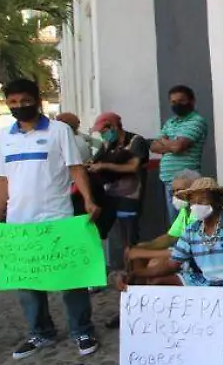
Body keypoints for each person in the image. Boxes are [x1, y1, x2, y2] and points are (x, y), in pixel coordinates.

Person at [0, 78, 102, 359]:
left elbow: (76, 169)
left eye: (25, 100)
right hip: (19, 224)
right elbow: (1, 181)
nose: (20, 106)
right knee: (27, 282)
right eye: (13, 102)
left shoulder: (59, 131)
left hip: (57, 217)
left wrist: (88, 199)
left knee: (71, 278)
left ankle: (82, 330)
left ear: (37, 100)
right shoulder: (3, 138)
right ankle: (40, 332)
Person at [129, 177, 223, 365]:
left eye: (202, 200)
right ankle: (172, 343)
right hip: (208, 283)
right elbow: (172, 264)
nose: (196, 205)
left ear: (217, 201)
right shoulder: (192, 230)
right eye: (192, 201)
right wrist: (135, 275)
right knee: (159, 282)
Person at [104, 169, 200, 329]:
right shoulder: (185, 211)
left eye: (180, 190)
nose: (175, 195)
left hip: (192, 258)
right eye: (174, 191)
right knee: (136, 253)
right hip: (181, 252)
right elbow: (170, 237)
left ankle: (141, 308)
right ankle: (132, 305)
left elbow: (188, 251)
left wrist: (142, 252)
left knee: (150, 263)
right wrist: (143, 247)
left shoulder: (199, 212)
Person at [88, 112, 149, 269]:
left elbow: (133, 167)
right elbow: (95, 161)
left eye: (104, 131)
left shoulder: (136, 141)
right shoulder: (108, 144)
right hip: (110, 196)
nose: (102, 135)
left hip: (130, 196)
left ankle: (133, 272)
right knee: (111, 235)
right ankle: (116, 269)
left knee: (130, 237)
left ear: (114, 127)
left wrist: (104, 166)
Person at [151, 85, 209, 220]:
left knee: (186, 221)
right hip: (168, 181)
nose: (177, 105)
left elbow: (178, 147)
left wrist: (164, 141)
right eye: (173, 102)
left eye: (181, 101)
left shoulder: (197, 121)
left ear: (192, 101)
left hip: (185, 182)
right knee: (175, 224)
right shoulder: (171, 122)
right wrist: (172, 144)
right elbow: (153, 146)